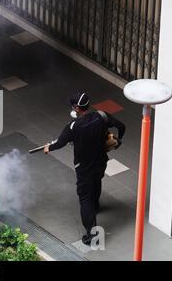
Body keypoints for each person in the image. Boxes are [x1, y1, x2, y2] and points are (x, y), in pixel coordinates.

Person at [44, 92, 126, 245]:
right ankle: (96, 206)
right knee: (97, 181)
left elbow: (60, 143)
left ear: (76, 108)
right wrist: (118, 141)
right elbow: (122, 126)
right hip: (101, 162)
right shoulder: (102, 116)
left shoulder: (73, 126)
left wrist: (50, 147)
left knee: (85, 199)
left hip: (84, 168)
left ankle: (92, 235)